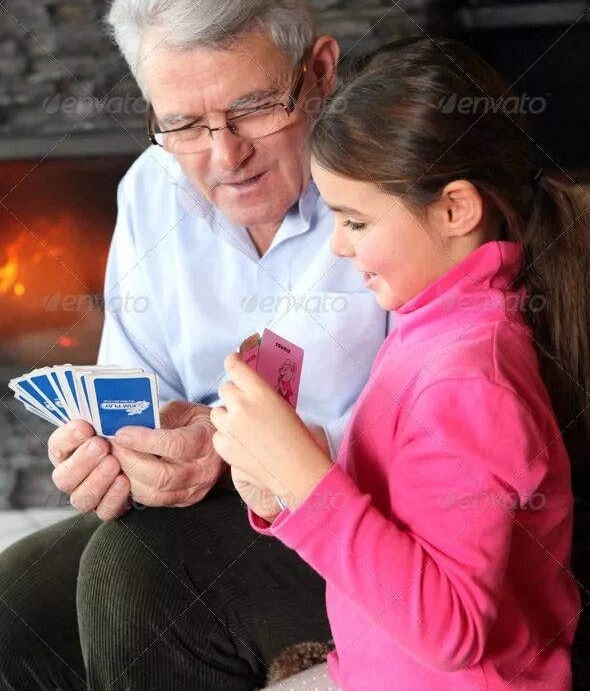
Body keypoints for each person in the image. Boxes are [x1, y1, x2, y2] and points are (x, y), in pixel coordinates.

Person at [0, 0, 389, 690]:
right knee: (10, 608)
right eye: (182, 122)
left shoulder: (388, 190)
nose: (223, 154)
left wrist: (255, 451)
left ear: (319, 72)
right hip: (195, 507)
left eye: (251, 108)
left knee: (135, 574)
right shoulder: (151, 188)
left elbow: (447, 417)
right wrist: (103, 457)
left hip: (352, 519)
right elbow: (129, 387)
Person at [211, 37, 587, 690]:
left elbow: (452, 630)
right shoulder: (432, 323)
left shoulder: (471, 379)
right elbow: (404, 500)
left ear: (453, 208)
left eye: (355, 220)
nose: (337, 244)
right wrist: (281, 475)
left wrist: (305, 480)